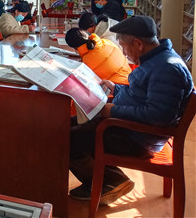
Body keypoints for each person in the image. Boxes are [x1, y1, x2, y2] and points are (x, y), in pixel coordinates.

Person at [69, 16, 193, 205]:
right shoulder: (156, 59)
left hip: (139, 138)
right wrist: (116, 88)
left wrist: (112, 112)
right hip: (127, 127)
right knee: (67, 123)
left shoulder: (167, 69)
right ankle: (105, 179)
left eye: (125, 47)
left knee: (69, 138)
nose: (124, 53)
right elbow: (140, 93)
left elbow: (158, 116)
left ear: (138, 44)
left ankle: (112, 182)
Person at [64, 28, 131, 85]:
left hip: (117, 88)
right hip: (130, 79)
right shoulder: (106, 42)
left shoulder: (87, 63)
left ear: (75, 48)